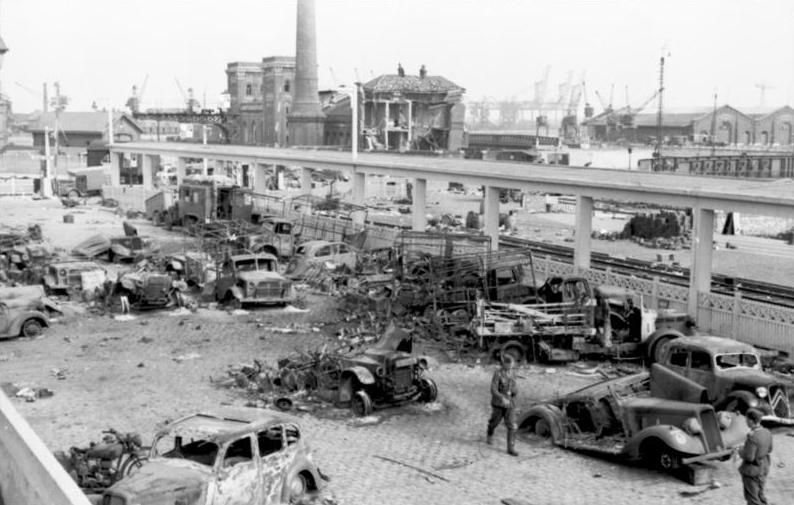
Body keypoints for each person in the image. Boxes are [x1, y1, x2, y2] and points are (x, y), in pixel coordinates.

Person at [738, 408, 773, 505]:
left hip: (753, 470)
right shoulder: (767, 432)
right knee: (760, 494)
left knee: (753, 499)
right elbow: (770, 449)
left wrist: (740, 451)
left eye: (746, 420)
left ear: (750, 420)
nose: (746, 422)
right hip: (764, 467)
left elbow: (749, 457)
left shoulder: (752, 437)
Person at [486, 355, 519, 456]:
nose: (510, 367)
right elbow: (493, 389)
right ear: (504, 364)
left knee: (511, 425)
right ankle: (490, 432)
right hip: (499, 403)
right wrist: (502, 397)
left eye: (512, 365)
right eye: (508, 365)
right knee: (494, 422)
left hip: (510, 403)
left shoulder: (513, 374)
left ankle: (511, 447)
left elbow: (515, 387)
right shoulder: (498, 374)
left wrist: (514, 391)